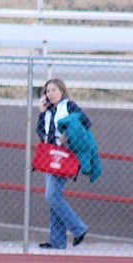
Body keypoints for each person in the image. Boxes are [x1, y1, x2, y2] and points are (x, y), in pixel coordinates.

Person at [36, 78, 91, 250]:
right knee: (54, 198)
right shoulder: (48, 111)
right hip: (49, 157)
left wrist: (69, 134)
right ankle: (57, 240)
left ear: (61, 91)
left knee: (51, 196)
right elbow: (41, 132)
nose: (50, 94)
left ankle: (78, 228)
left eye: (53, 90)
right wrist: (42, 111)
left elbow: (85, 122)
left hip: (63, 157)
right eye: (47, 91)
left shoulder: (68, 107)